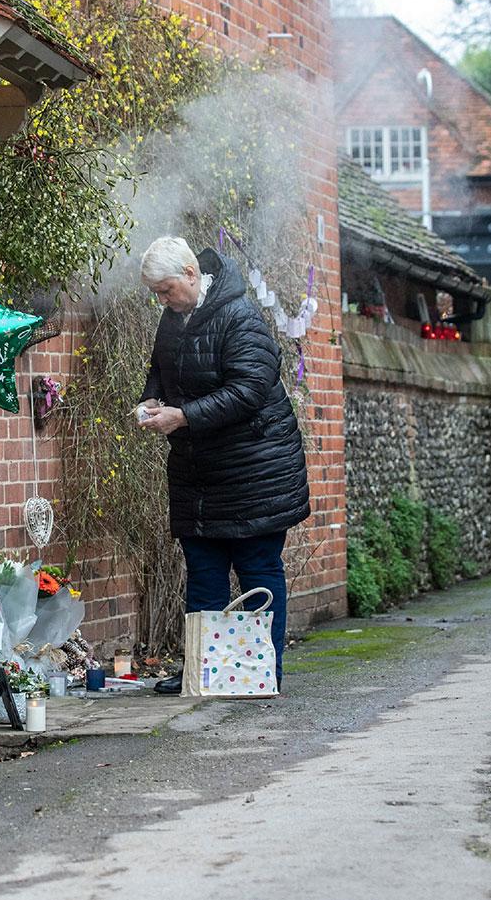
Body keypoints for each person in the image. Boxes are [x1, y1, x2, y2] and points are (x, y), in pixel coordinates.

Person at [134, 236, 310, 695]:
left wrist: (185, 415)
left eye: (167, 290)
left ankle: (261, 671)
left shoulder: (241, 316)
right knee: (204, 574)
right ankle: (203, 670)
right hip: (200, 473)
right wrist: (151, 399)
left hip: (256, 471)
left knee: (258, 571)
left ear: (191, 275)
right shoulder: (174, 317)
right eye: (157, 293)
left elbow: (250, 389)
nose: (163, 300)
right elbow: (160, 367)